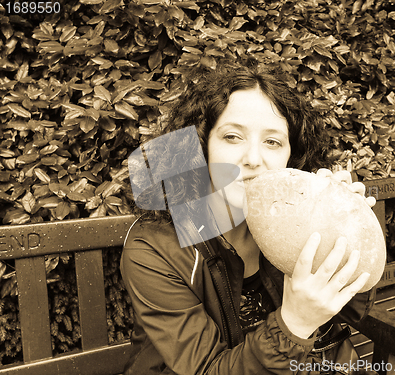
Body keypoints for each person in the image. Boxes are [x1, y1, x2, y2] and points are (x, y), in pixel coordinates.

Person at [121, 60, 378, 374]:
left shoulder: (291, 221)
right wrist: (295, 322)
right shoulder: (154, 247)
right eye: (232, 137)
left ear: (290, 157)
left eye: (272, 141)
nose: (254, 159)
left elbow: (352, 311)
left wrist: (348, 233)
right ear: (203, 147)